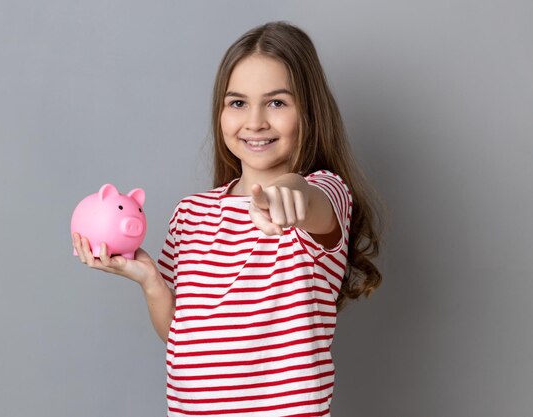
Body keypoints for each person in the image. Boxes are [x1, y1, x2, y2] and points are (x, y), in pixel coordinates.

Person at [72, 21, 383, 417]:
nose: (254, 122)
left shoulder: (324, 194)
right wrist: (150, 280)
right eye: (237, 103)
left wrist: (287, 191)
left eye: (276, 102)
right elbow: (180, 334)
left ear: (309, 111)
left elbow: (308, 199)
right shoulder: (192, 213)